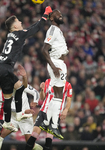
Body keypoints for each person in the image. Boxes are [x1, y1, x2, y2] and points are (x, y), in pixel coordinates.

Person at [0, 6, 53, 130]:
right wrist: (45, 15)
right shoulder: (18, 34)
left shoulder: (10, 35)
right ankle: (19, 114)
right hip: (6, 68)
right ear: (15, 26)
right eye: (18, 21)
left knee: (10, 95)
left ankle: (7, 122)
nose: (21, 22)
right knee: (20, 88)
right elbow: (34, 28)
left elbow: (28, 29)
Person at [39, 9, 69, 139]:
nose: (60, 15)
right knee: (58, 95)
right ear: (51, 17)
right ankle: (54, 125)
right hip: (56, 63)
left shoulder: (57, 30)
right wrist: (54, 66)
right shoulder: (52, 29)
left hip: (58, 63)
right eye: (57, 13)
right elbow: (44, 50)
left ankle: (46, 122)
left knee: (58, 95)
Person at [25, 79, 72, 150]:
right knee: (34, 135)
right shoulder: (48, 81)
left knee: (49, 138)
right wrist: (42, 89)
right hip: (44, 111)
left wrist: (66, 109)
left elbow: (69, 100)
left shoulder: (67, 85)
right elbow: (42, 97)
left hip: (55, 113)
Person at [0, 84, 42, 150]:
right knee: (0, 136)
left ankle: (37, 147)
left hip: (25, 118)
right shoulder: (4, 90)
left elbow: (35, 92)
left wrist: (35, 101)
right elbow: (7, 107)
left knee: (30, 143)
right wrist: (24, 111)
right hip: (13, 118)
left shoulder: (21, 84)